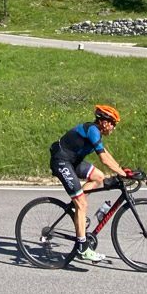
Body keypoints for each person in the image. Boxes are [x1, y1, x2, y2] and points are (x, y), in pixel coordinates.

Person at [49, 104, 133, 263]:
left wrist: (122, 170)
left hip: (73, 161)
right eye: (113, 124)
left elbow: (105, 153)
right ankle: (83, 248)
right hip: (61, 161)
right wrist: (122, 174)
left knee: (98, 177)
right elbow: (103, 159)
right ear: (104, 122)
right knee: (82, 203)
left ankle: (77, 205)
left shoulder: (96, 132)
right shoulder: (92, 130)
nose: (113, 128)